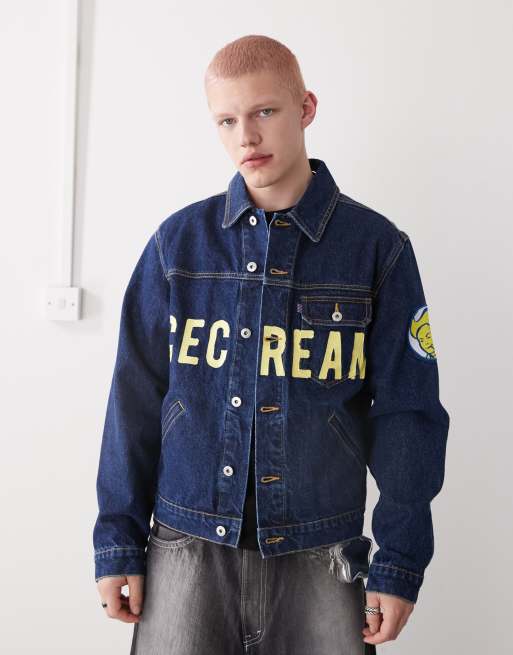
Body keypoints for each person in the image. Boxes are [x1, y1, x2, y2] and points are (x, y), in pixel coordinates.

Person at [93, 34, 450, 653]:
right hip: (184, 544)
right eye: (227, 121)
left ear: (306, 108)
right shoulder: (179, 245)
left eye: (264, 111)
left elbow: (408, 413)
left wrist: (399, 559)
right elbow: (134, 399)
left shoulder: (376, 248)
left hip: (323, 548)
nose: (247, 137)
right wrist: (117, 540)